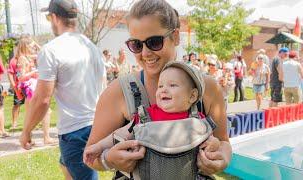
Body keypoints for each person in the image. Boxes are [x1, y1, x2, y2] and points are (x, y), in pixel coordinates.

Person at [85, 0, 231, 177]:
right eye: (136, 45)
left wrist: (220, 157)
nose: (145, 53)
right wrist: (108, 159)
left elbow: (223, 141)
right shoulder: (118, 92)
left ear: (175, 36)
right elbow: (91, 156)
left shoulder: (206, 87)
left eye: (154, 42)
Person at [19, 0, 106, 179]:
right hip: (95, 125)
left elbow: (42, 99)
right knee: (65, 164)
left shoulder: (51, 50)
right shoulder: (92, 47)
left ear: (55, 17)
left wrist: (26, 131)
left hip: (74, 133)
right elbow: (103, 87)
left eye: (49, 17)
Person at [84, 61, 212, 167]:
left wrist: (214, 146)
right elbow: (122, 133)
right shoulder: (147, 116)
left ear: (192, 96)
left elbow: (211, 140)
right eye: (160, 86)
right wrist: (99, 146)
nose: (164, 90)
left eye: (172, 85)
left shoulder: (197, 120)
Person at [16, 37, 55, 145]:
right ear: (26, 46)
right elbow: (21, 77)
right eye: (31, 46)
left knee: (31, 113)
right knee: (46, 111)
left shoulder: (30, 57)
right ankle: (46, 138)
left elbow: (43, 51)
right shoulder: (22, 59)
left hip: (33, 85)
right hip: (29, 87)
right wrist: (33, 73)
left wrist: (36, 44)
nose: (34, 48)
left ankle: (29, 138)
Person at [7, 41, 25, 130]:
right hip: (19, 87)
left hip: (30, 86)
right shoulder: (14, 60)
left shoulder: (30, 58)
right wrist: (14, 86)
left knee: (32, 104)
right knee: (17, 104)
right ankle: (14, 123)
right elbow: (10, 73)